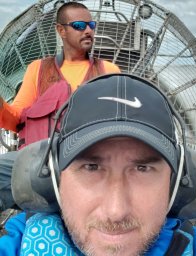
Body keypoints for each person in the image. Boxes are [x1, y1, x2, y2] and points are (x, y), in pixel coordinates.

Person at [0, 74, 196, 255]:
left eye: (143, 168)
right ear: (53, 178)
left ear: (177, 185)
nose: (115, 212)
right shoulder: (19, 244)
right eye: (91, 167)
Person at [0, 2, 120, 210]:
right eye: (80, 25)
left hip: (90, 160)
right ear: (60, 30)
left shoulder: (108, 70)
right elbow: (16, 120)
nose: (89, 31)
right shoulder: (38, 69)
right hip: (41, 160)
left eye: (91, 25)